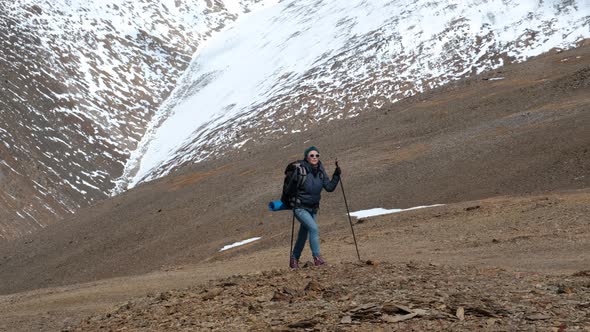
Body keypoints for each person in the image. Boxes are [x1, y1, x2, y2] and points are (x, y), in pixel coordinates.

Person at [287, 146, 341, 269]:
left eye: (317, 155)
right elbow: (290, 189)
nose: (315, 157)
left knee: (303, 234)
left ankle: (294, 259)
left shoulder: (321, 172)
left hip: (313, 208)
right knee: (314, 228)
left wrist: (336, 175)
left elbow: (329, 188)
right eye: (312, 155)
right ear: (306, 157)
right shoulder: (300, 170)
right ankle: (317, 258)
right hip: (299, 207)